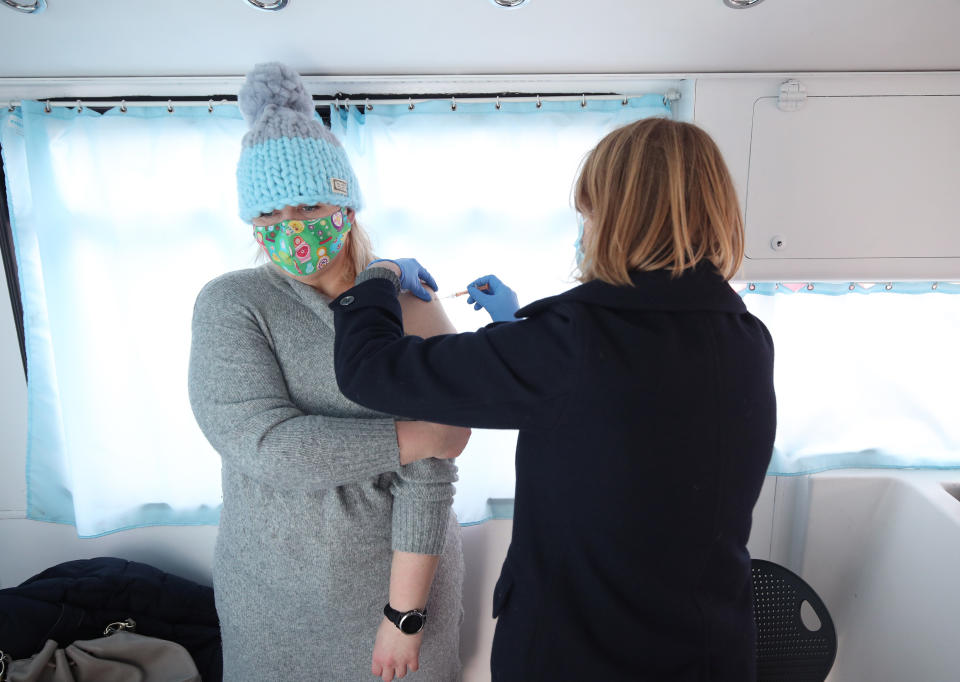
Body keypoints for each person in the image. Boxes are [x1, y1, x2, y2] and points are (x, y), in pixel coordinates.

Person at [329, 118, 777, 681]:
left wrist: (376, 278)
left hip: (582, 657)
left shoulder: (568, 344)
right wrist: (519, 326)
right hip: (709, 653)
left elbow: (370, 372)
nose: (584, 230)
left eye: (588, 214)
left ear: (618, 217)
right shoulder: (746, 337)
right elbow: (629, 416)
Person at [188, 62, 467, 682]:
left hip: (407, 592)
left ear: (344, 202)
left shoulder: (410, 302)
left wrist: (404, 615)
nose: (294, 229)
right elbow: (268, 447)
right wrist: (419, 433)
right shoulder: (231, 304)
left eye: (310, 204)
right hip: (273, 604)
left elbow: (430, 477)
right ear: (253, 223)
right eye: (271, 215)